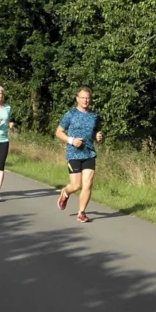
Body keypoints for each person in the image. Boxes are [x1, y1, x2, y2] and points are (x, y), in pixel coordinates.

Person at [55, 87, 103, 223]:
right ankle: (65, 192)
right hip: (74, 153)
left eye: (88, 98)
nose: (85, 100)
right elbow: (58, 132)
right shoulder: (70, 114)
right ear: (77, 99)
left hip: (89, 153)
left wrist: (97, 135)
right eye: (83, 98)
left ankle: (81, 213)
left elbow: (94, 132)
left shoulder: (94, 116)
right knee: (76, 185)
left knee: (87, 184)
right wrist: (71, 140)